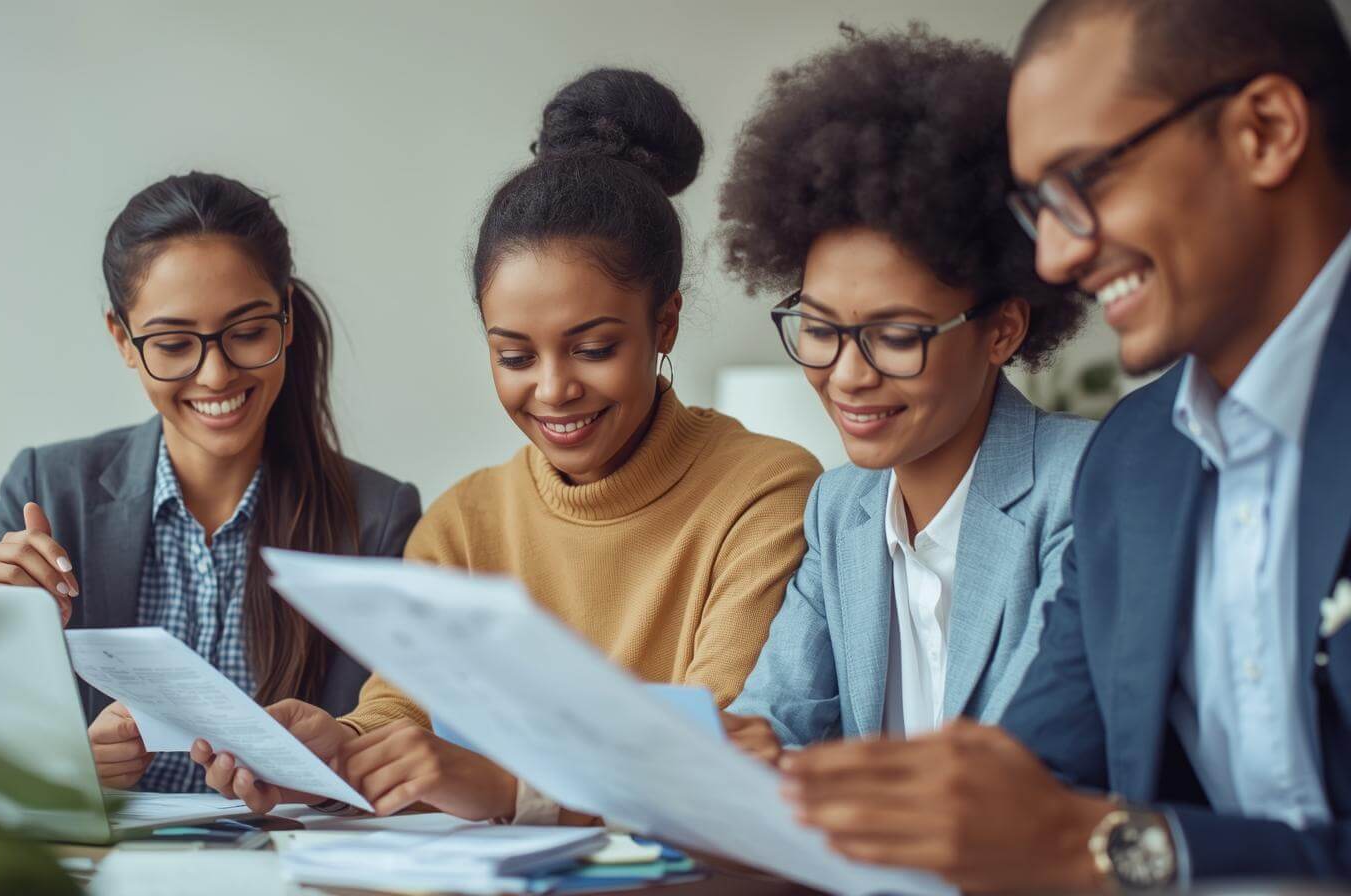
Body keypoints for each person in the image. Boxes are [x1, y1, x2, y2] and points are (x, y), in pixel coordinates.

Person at [776, 0, 1351, 890]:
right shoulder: (1137, 462)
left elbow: (1064, 832)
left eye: (1087, 180)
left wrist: (1126, 849)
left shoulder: (1088, 468)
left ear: (1266, 131)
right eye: (1039, 204)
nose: (1051, 256)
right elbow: (1036, 786)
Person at [192, 68, 822, 822]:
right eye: (515, 357)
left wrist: (511, 792)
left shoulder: (765, 491)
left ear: (666, 324)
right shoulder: (465, 520)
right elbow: (404, 710)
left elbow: (728, 749)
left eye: (592, 348)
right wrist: (333, 753)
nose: (553, 390)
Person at [0, 172, 421, 793]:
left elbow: (390, 736)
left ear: (286, 319)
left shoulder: (377, 517)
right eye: (175, 343)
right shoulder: (47, 489)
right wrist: (60, 754)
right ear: (122, 340)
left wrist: (328, 759)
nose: (215, 375)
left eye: (247, 333)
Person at [717, 25, 1093, 760]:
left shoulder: (1080, 487)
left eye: (896, 336)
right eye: (820, 328)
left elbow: (1028, 770)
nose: (849, 374)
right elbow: (775, 723)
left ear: (1003, 330)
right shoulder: (840, 509)